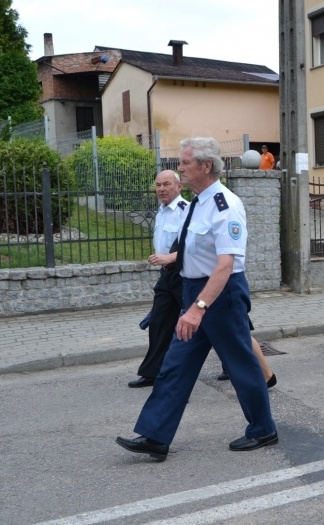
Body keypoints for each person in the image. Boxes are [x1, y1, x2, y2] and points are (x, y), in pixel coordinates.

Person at [116, 137, 277, 461]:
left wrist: (198, 309)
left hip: (221, 295)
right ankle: (155, 436)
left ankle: (263, 429)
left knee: (242, 365)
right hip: (195, 293)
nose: (180, 168)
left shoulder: (225, 205)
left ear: (205, 166)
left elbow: (225, 264)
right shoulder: (198, 202)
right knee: (175, 365)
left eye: (185, 163)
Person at [128, 171, 189, 388]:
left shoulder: (186, 211)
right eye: (158, 185)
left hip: (185, 275)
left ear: (179, 186)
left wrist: (169, 257)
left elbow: (191, 248)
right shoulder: (162, 211)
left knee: (207, 323)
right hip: (167, 276)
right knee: (159, 322)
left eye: (166, 184)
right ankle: (152, 373)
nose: (161, 189)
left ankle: (231, 365)